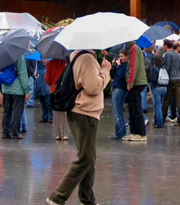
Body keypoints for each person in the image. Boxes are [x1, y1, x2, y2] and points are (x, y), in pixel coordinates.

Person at [46, 50, 111, 205]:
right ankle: (58, 196)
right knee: (86, 158)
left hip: (84, 112)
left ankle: (87, 198)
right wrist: (105, 71)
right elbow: (93, 87)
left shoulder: (80, 56)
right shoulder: (87, 58)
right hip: (85, 112)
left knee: (89, 157)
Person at [1, 56, 30, 140]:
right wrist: (26, 90)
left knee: (7, 111)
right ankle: (15, 132)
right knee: (17, 111)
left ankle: (5, 132)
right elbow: (23, 74)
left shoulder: (2, 57)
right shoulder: (19, 57)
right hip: (18, 89)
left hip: (6, 87)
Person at [125, 42, 148, 141]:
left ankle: (141, 133)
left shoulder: (134, 48)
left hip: (136, 83)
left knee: (136, 107)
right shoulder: (135, 48)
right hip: (138, 82)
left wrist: (130, 82)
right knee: (132, 107)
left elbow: (134, 66)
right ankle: (134, 132)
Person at [161, 39, 180, 127]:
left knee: (166, 99)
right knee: (179, 99)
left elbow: (166, 67)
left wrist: (164, 78)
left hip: (170, 79)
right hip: (178, 79)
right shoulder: (178, 55)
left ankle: (162, 117)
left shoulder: (167, 54)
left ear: (166, 46)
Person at [45, 58, 69, 140]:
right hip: (65, 89)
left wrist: (52, 83)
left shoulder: (50, 63)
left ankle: (57, 134)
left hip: (54, 89)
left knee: (55, 111)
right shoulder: (67, 63)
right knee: (64, 111)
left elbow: (47, 79)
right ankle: (65, 133)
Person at [110, 49, 129, 139]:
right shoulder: (119, 65)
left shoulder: (125, 65)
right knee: (115, 111)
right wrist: (113, 65)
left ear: (127, 56)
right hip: (115, 87)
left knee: (118, 111)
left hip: (121, 88)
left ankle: (121, 132)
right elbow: (112, 75)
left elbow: (122, 76)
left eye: (122, 56)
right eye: (119, 56)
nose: (120, 58)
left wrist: (120, 66)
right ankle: (119, 131)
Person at [150, 54, 167, 128]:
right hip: (164, 88)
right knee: (160, 104)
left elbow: (154, 79)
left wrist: (148, 78)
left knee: (157, 106)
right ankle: (158, 121)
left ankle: (159, 123)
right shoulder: (163, 68)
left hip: (157, 88)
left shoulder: (155, 69)